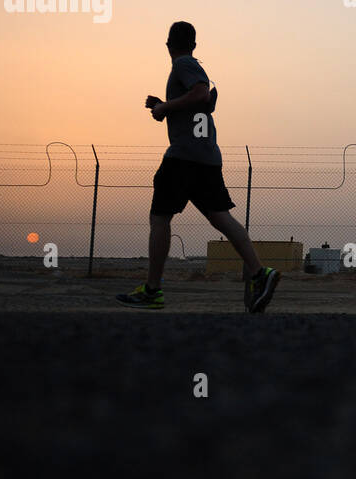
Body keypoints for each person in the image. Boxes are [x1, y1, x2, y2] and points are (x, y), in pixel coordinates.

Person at [117, 21, 281, 312]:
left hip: (183, 156)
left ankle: (152, 291)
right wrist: (164, 105)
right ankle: (260, 273)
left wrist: (165, 108)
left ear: (168, 44)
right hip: (207, 156)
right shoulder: (193, 67)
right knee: (221, 218)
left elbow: (201, 93)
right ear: (194, 44)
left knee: (160, 219)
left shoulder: (184, 66)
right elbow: (197, 104)